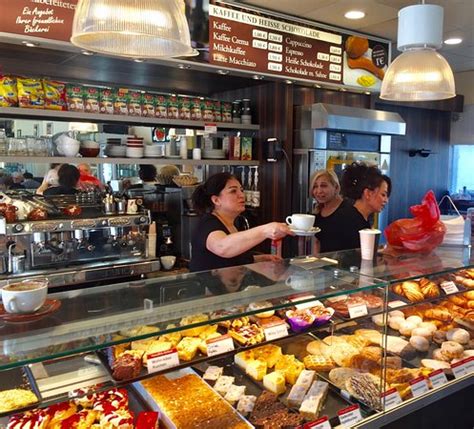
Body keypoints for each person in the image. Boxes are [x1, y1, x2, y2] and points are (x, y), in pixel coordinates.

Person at [189, 172, 294, 272]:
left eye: (241, 190)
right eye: (233, 191)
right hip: (205, 289)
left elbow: (230, 258)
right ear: (216, 200)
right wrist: (266, 230)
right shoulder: (208, 224)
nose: (242, 195)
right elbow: (222, 247)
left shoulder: (233, 224)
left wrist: (259, 259)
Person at [321, 162, 390, 251]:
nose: (386, 200)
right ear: (368, 193)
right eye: (383, 194)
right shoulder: (348, 219)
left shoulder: (360, 217)